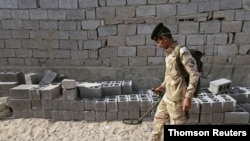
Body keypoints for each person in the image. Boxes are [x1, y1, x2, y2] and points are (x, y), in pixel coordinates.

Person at [150, 23, 200, 141]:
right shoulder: (169, 53)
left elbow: (194, 74)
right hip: (167, 96)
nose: (158, 45)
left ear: (165, 39)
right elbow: (170, 75)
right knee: (157, 122)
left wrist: (188, 97)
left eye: (158, 42)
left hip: (178, 100)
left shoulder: (182, 52)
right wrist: (162, 87)